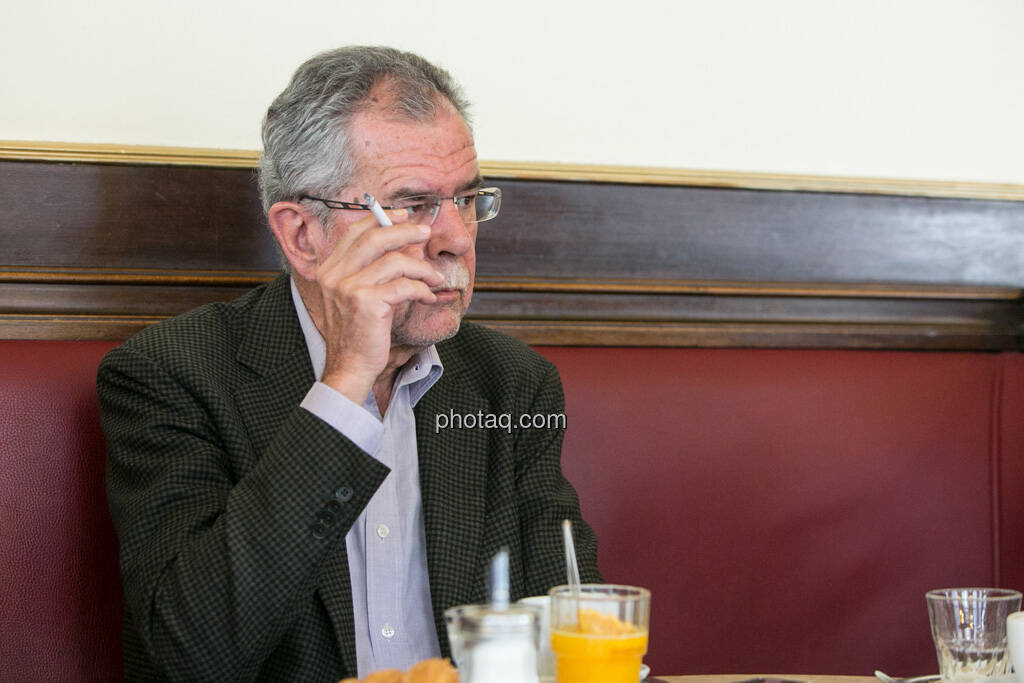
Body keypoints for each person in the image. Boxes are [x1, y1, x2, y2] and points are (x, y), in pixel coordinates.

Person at [98, 45, 600, 682]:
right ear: (303, 235)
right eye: (413, 204)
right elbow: (188, 655)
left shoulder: (512, 386)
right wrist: (344, 387)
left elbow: (573, 629)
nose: (457, 238)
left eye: (467, 198)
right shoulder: (172, 375)